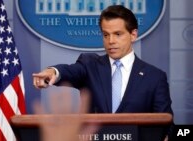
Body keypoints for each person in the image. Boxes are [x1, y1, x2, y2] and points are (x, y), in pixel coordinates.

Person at [33, 5, 173, 141]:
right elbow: (70, 71)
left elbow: (166, 124)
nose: (110, 41)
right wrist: (53, 72)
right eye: (106, 35)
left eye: (118, 34)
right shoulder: (89, 65)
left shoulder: (155, 77)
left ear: (133, 34)